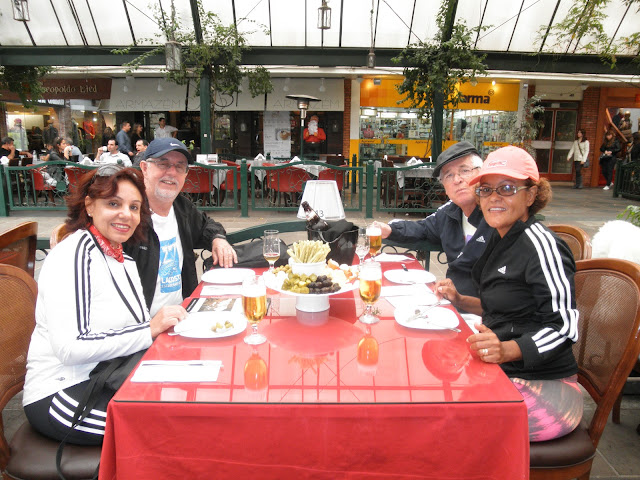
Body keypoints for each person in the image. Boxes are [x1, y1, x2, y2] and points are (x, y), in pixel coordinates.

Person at [23, 165, 186, 444]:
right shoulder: (73, 255)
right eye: (113, 203)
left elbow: (133, 330)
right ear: (88, 205)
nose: (126, 214)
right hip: (63, 392)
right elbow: (71, 348)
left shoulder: (122, 257)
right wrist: (150, 329)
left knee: (190, 406)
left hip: (110, 376)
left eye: (134, 207)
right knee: (172, 430)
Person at [434, 146, 582, 442]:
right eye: (486, 190)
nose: (493, 198)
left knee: (443, 421)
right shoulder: (502, 236)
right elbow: (507, 307)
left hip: (548, 389)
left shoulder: (541, 245)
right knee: (436, 391)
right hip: (505, 370)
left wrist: (507, 349)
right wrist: (462, 301)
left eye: (507, 188)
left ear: (530, 195)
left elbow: (565, 327)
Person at [124, 138, 238, 316]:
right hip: (141, 329)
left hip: (182, 316)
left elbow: (207, 224)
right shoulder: (128, 216)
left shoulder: (180, 207)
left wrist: (218, 239)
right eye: (163, 164)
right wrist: (147, 328)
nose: (171, 172)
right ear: (145, 168)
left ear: (186, 174)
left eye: (179, 166)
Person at [373, 141, 492, 298]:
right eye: (449, 175)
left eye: (465, 170)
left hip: (491, 313)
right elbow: (424, 228)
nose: (457, 180)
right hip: (453, 305)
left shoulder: (498, 214)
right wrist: (391, 230)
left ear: (481, 174)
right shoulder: (450, 212)